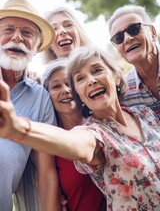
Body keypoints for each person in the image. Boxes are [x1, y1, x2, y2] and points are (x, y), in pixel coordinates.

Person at [0, 46, 160, 210]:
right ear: (80, 94)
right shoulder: (94, 134)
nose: (91, 80)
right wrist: (18, 128)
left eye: (97, 70)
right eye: (80, 78)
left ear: (116, 77)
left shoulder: (145, 114)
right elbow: (74, 142)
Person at [0, 0, 61, 211]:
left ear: (35, 47)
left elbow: (47, 174)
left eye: (27, 33)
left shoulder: (41, 98)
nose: (17, 37)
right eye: (8, 30)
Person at [41, 58, 106, 211]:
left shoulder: (101, 123)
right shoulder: (50, 143)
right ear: (47, 96)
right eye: (56, 86)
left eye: (69, 83)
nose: (65, 90)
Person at [107, 5, 160, 118]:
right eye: (118, 38)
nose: (127, 38)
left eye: (134, 29)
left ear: (153, 32)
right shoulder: (124, 93)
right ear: (118, 50)